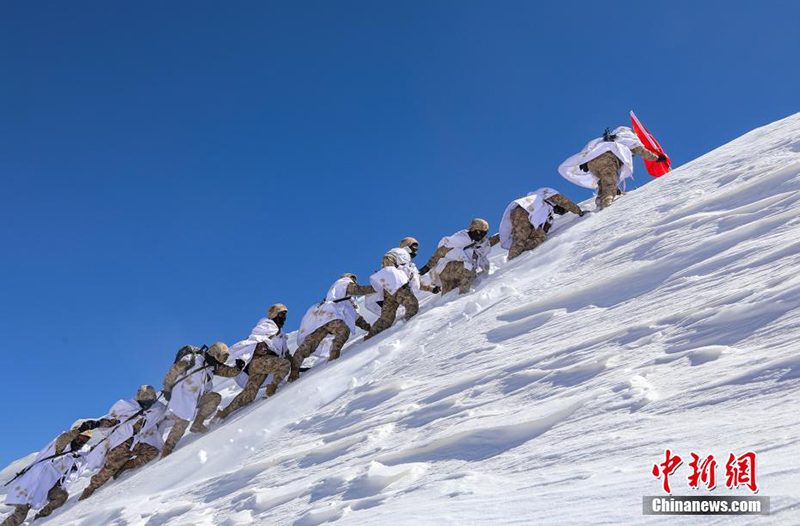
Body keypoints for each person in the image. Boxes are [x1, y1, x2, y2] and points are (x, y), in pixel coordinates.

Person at [2, 419, 115, 525]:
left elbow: (98, 450)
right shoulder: (61, 446)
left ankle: (40, 520)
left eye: (86, 439)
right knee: (20, 514)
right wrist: (79, 430)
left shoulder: (82, 452)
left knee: (61, 496)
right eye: (81, 437)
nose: (82, 441)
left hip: (50, 485)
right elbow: (63, 439)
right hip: (32, 483)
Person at [79, 386, 168, 500]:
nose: (147, 403)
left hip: (137, 442)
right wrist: (97, 424)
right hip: (122, 443)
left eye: (149, 401)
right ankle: (91, 488)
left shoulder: (158, 408)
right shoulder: (125, 406)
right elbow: (111, 421)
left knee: (152, 452)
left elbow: (170, 411)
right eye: (144, 401)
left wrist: (170, 392)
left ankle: (126, 466)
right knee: (109, 469)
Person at [160, 342, 245, 457]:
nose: (222, 361)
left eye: (225, 358)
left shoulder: (211, 366)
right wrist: (167, 388)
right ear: (214, 353)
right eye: (222, 357)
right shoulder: (192, 359)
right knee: (182, 423)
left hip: (196, 398)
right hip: (182, 397)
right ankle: (166, 451)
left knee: (214, 398)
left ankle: (197, 424)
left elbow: (227, 372)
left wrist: (238, 368)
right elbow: (173, 371)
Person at [290, 274, 373, 381]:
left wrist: (370, 329)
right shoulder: (343, 283)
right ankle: (334, 357)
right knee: (343, 330)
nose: (354, 282)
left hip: (322, 320)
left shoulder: (344, 299)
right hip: (331, 317)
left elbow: (356, 318)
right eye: (353, 280)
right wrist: (377, 288)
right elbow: (358, 289)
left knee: (310, 344)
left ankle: (294, 370)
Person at [558, 126, 665, 209]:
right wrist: (657, 158)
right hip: (607, 160)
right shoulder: (628, 137)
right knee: (609, 184)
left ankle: (600, 201)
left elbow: (589, 148)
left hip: (590, 163)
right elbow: (641, 151)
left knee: (603, 182)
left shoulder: (606, 139)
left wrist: (584, 161)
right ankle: (607, 207)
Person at [216, 304, 292, 419]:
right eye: (281, 314)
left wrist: (297, 367)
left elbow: (285, 352)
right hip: (258, 362)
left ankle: (224, 412)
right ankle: (272, 388)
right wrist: (243, 358)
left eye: (285, 315)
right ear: (275, 315)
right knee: (284, 364)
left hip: (264, 365)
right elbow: (253, 340)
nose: (284, 318)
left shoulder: (281, 335)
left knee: (249, 395)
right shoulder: (266, 326)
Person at [366, 237, 439, 339]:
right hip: (399, 288)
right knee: (412, 304)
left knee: (386, 318)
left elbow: (417, 281)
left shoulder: (409, 264)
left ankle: (370, 337)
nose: (416, 250)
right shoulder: (399, 252)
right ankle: (408, 331)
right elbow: (387, 259)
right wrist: (394, 279)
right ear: (407, 245)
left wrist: (431, 289)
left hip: (389, 291)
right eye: (414, 246)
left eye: (417, 248)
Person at [419, 218, 500, 294]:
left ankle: (451, 306)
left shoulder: (479, 243)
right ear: (473, 229)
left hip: (453, 273)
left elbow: (488, 245)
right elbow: (440, 252)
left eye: (484, 233)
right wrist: (427, 267)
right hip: (446, 269)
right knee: (468, 269)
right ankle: (463, 297)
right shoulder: (459, 239)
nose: (481, 235)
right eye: (479, 232)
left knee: (449, 296)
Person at [499, 188, 585, 260]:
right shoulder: (550, 193)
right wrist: (580, 212)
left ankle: (521, 253)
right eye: (560, 210)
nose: (557, 212)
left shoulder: (546, 207)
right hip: (524, 212)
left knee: (540, 236)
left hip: (529, 217)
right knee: (520, 240)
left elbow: (544, 226)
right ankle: (511, 261)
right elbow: (566, 203)